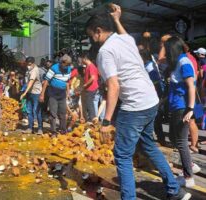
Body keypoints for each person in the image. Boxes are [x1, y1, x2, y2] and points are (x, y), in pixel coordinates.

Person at [86, 4, 189, 200]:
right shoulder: (125, 39)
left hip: (134, 106)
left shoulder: (105, 52)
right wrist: (117, 19)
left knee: (122, 156)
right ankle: (173, 189)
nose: (93, 39)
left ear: (98, 31)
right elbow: (124, 35)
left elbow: (113, 86)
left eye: (92, 35)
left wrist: (106, 121)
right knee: (149, 146)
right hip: (150, 100)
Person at [165, 36, 200, 188]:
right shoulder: (179, 61)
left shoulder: (183, 61)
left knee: (181, 141)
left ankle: (188, 177)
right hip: (176, 106)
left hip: (182, 107)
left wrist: (190, 109)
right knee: (175, 137)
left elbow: (191, 86)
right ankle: (190, 166)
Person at [40, 54, 72, 135]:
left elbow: (67, 82)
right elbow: (46, 81)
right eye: (66, 65)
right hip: (53, 93)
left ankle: (63, 130)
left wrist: (68, 93)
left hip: (62, 93)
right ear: (62, 62)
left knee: (63, 113)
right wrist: (42, 94)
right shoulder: (54, 68)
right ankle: (53, 131)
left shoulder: (68, 69)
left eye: (68, 65)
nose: (67, 66)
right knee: (53, 113)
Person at [20, 57, 43, 135]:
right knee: (29, 111)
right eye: (27, 64)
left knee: (36, 111)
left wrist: (24, 93)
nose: (28, 66)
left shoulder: (35, 70)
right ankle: (30, 128)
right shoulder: (28, 71)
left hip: (36, 93)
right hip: (30, 93)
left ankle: (40, 128)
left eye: (29, 64)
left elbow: (31, 82)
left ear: (33, 63)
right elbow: (27, 82)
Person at [81, 52, 99, 122]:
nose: (81, 61)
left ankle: (93, 119)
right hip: (89, 88)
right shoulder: (88, 66)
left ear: (85, 58)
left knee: (90, 103)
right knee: (89, 103)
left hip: (91, 88)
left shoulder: (91, 66)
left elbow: (92, 78)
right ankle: (92, 118)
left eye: (82, 59)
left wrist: (86, 84)